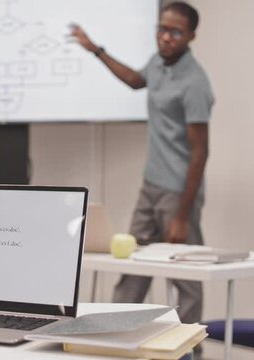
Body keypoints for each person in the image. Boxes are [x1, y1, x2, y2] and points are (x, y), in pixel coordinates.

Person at [71, 1, 213, 326]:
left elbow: (201, 152)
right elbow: (136, 80)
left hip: (179, 193)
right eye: (161, 29)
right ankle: (114, 333)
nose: (165, 37)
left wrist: (181, 215)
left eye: (175, 32)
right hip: (151, 186)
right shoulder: (160, 63)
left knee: (186, 276)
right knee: (133, 265)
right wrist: (96, 50)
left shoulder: (194, 83)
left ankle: (191, 346)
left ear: (190, 35)